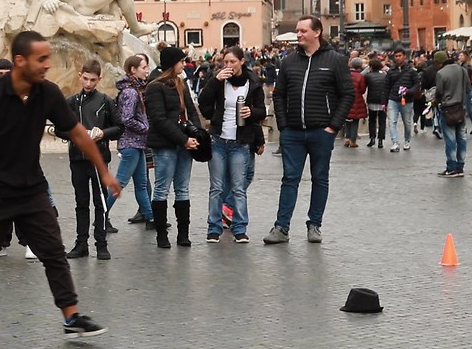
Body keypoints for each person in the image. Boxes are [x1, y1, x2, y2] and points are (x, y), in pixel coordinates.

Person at [0, 30, 118, 346]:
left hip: (31, 188)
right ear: (20, 61)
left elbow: (77, 133)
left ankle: (71, 316)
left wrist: (104, 172)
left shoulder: (48, 94)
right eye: (41, 59)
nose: (47, 65)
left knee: (53, 251)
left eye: (48, 58)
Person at [266, 17, 352, 244]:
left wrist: (333, 126)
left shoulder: (335, 60)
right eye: (297, 31)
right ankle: (281, 227)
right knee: (289, 179)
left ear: (317, 32)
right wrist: (283, 126)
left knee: (320, 178)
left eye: (303, 30)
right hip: (293, 132)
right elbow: (279, 94)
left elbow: (347, 94)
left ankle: (314, 225)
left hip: (320, 132)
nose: (298, 34)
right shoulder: (288, 62)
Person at [197, 47, 264, 244]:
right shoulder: (218, 80)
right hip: (218, 139)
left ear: (242, 61)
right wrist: (215, 80)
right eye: (225, 62)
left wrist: (251, 112)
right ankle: (214, 228)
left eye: (232, 62)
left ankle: (240, 228)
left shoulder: (253, 84)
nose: (228, 66)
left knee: (238, 187)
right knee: (216, 187)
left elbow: (262, 111)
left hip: (240, 141)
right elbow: (203, 101)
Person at [143, 45, 201, 249]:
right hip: (165, 145)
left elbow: (192, 112)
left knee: (183, 189)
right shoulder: (154, 86)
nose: (184, 64)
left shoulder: (181, 83)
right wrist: (183, 140)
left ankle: (183, 234)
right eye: (181, 61)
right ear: (171, 64)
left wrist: (196, 134)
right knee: (161, 189)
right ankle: (161, 235)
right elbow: (158, 120)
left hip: (184, 144)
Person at [69, 60, 120, 257]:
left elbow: (119, 127)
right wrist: (76, 135)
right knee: (81, 202)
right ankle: (81, 243)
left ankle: (101, 243)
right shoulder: (72, 101)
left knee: (100, 201)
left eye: (92, 80)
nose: (88, 83)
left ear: (99, 79)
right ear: (80, 75)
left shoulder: (106, 101)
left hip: (99, 157)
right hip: (77, 158)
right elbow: (60, 127)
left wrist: (103, 134)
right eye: (85, 79)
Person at [114, 53, 156, 223]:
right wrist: (144, 128)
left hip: (137, 143)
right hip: (131, 143)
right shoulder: (131, 92)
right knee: (120, 183)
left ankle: (150, 217)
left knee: (141, 183)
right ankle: (102, 217)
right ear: (133, 69)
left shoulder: (137, 88)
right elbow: (127, 118)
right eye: (144, 67)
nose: (147, 71)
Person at [432, 50, 470, 177]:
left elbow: (439, 92)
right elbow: (468, 88)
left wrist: (435, 102)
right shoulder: (462, 70)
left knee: (450, 139)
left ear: (438, 62)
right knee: (462, 138)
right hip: (461, 107)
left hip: (448, 109)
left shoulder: (441, 73)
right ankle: (460, 167)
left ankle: (451, 167)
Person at [341, 58, 368, 147]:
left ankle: (347, 138)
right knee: (355, 121)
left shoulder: (345, 75)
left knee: (347, 119)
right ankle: (353, 140)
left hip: (346, 99)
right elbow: (362, 90)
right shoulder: (360, 76)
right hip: (357, 100)